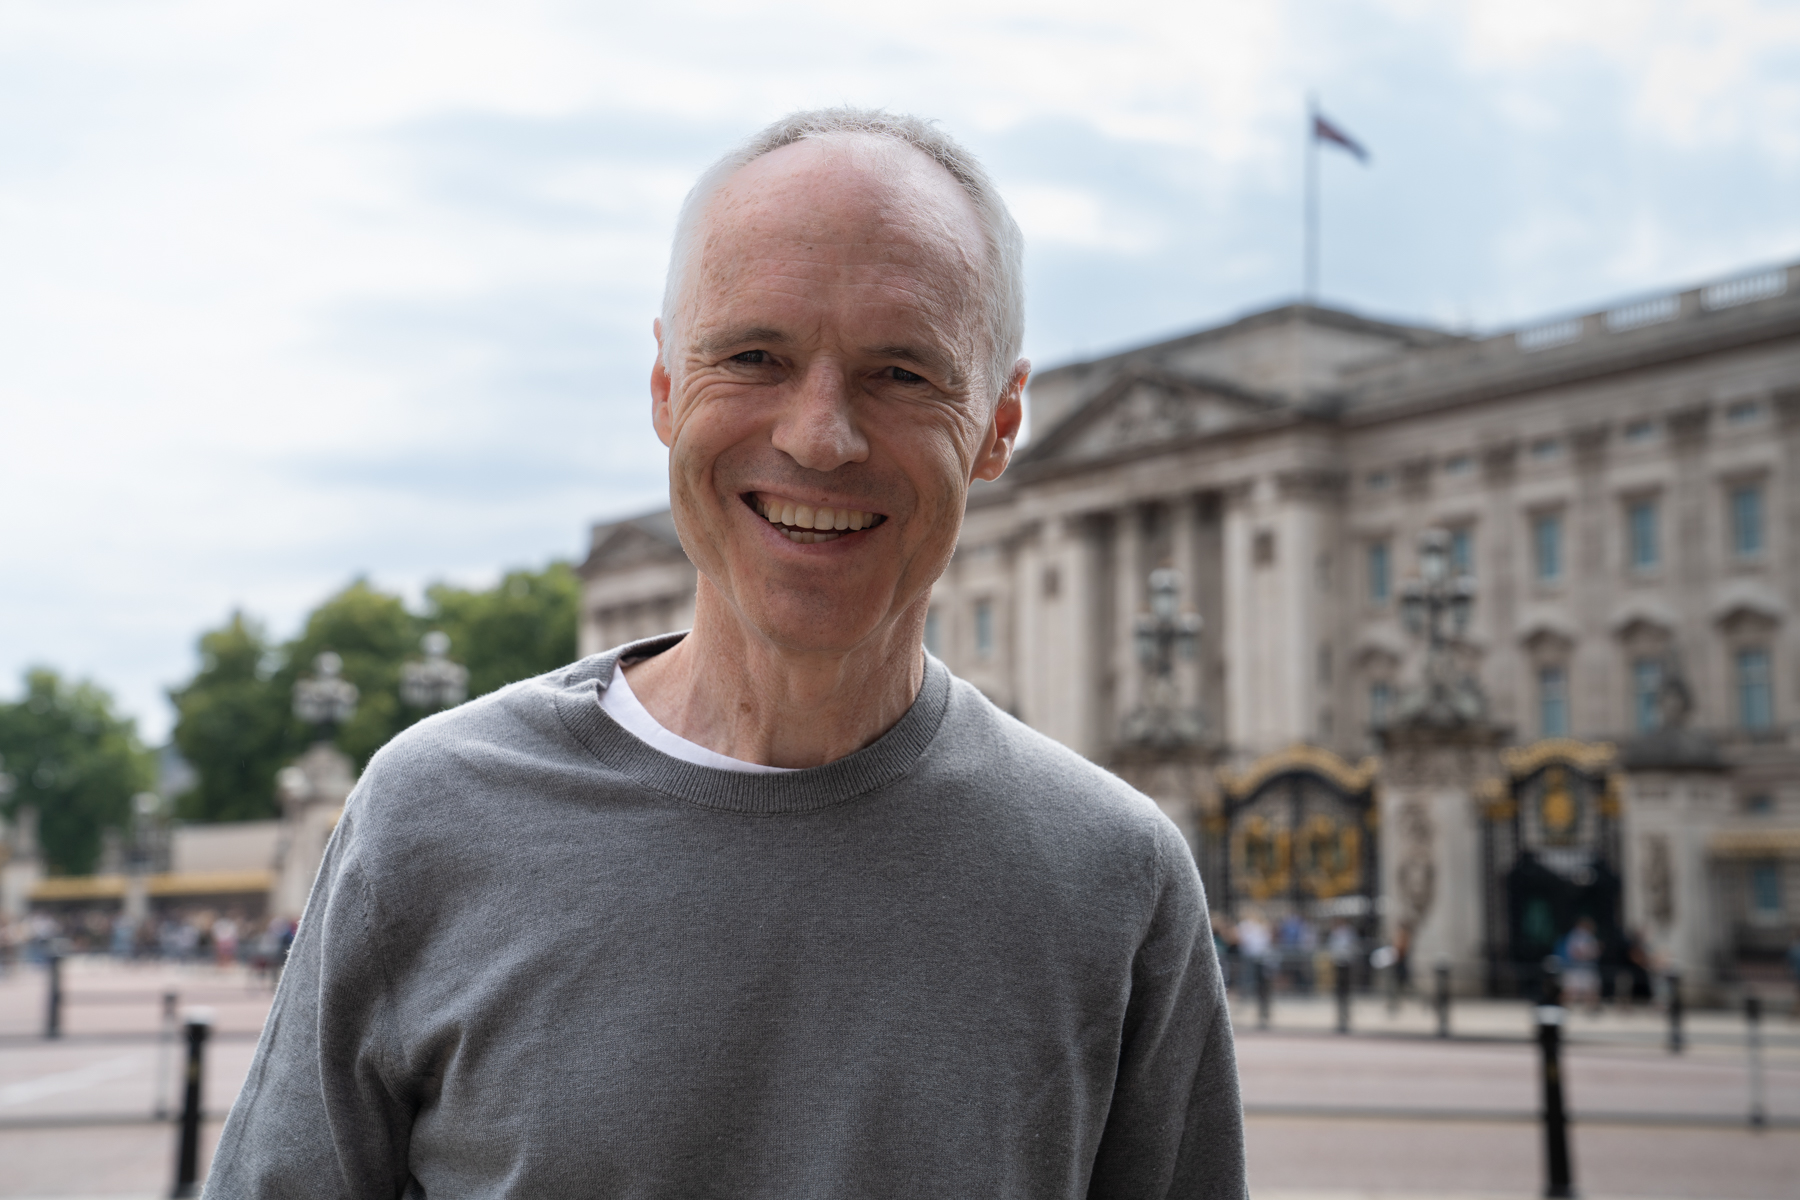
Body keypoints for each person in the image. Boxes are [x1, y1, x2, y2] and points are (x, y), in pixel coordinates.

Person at [204, 108, 1246, 1199]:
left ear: (999, 423)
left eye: (901, 372)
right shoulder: (428, 815)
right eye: (755, 357)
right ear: (664, 387)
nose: (819, 436)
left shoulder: (1118, 876)